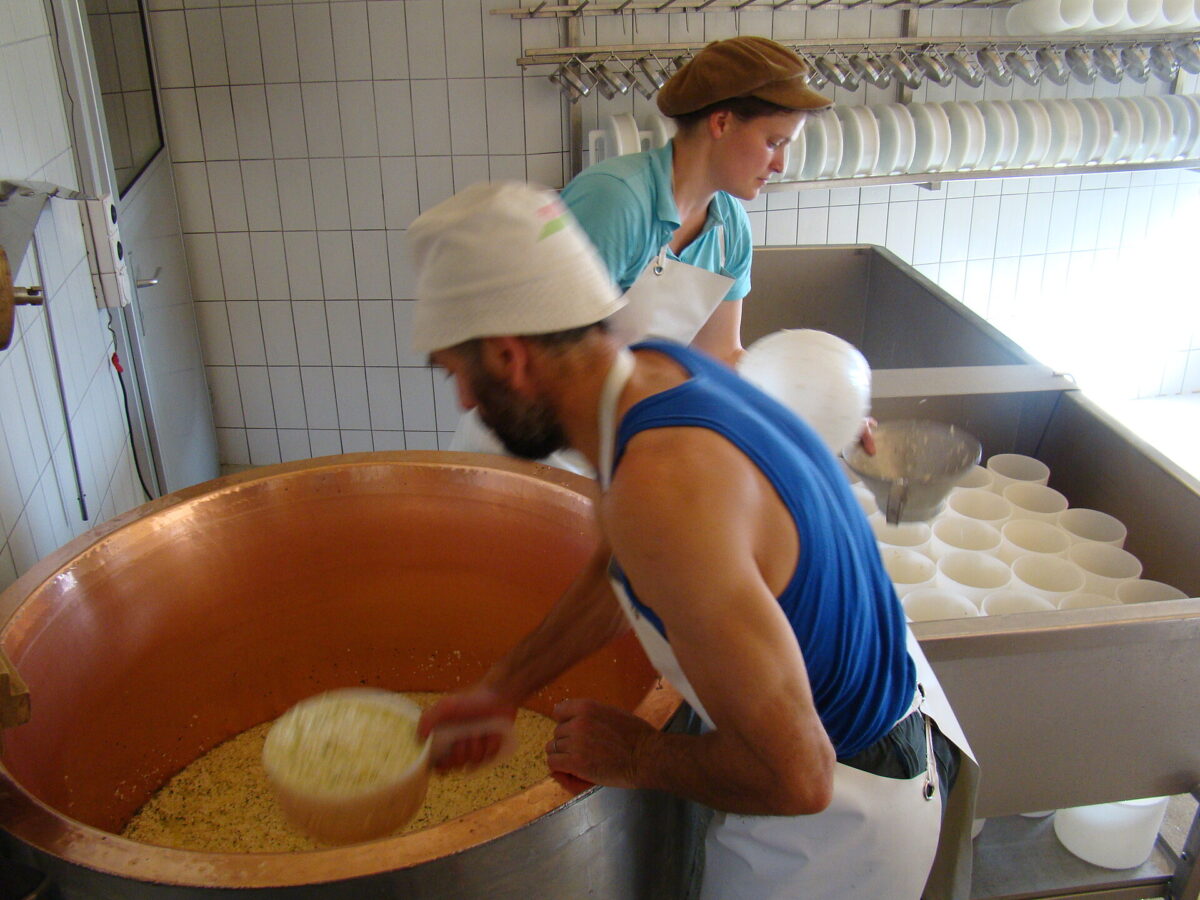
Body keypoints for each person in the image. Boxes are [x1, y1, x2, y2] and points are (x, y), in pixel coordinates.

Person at [410, 181, 977, 900]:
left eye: (459, 374)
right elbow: (621, 570)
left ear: (510, 357)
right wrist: (501, 688)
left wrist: (641, 755)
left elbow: (797, 776)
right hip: (865, 747)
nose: (464, 402)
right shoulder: (657, 372)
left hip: (837, 824)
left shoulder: (661, 492)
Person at [448, 36, 837, 464]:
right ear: (721, 123)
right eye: (773, 142)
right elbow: (548, 364)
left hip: (611, 439)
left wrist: (816, 418)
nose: (781, 164)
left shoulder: (729, 229)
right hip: (531, 446)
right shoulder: (616, 201)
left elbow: (720, 355)